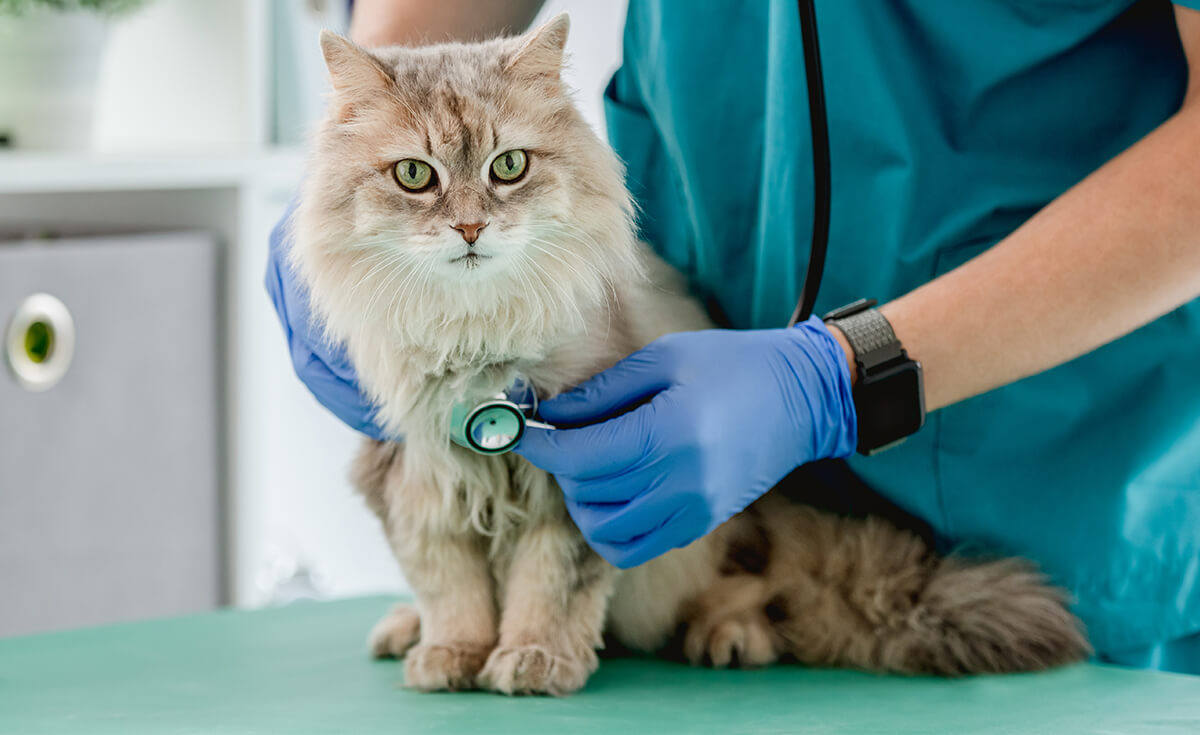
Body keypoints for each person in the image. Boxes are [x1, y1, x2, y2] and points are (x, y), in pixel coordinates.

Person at [267, 0, 1200, 674]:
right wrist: (360, 140)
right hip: (672, 479)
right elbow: (423, 43)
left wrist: (835, 381)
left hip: (1054, 461)